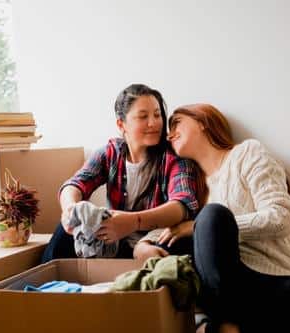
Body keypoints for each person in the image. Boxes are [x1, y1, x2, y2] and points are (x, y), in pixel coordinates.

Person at [150, 103, 290, 333]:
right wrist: (144, 243)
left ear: (202, 121)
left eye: (176, 122)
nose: (169, 134)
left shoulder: (247, 153)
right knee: (174, 241)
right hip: (223, 287)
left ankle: (223, 322)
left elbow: (280, 217)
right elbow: (173, 230)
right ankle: (229, 323)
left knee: (212, 217)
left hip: (268, 282)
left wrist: (204, 227)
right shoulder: (193, 189)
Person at [41, 84, 200, 263]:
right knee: (63, 232)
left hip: (153, 242)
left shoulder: (175, 157)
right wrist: (70, 209)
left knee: (178, 243)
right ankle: (40, 290)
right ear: (121, 124)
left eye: (157, 115)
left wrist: (134, 222)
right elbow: (75, 184)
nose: (154, 123)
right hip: (113, 243)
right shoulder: (110, 153)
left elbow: (181, 206)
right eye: (143, 116)